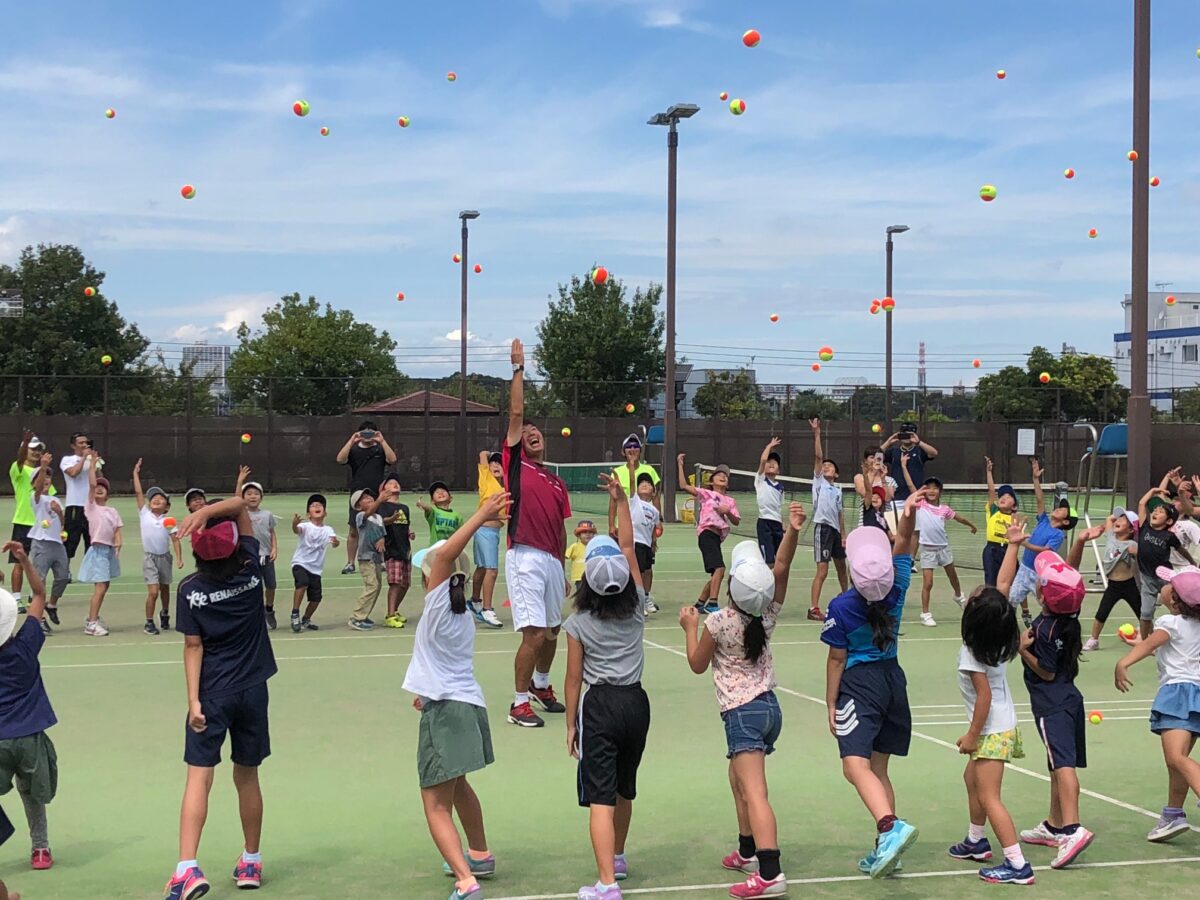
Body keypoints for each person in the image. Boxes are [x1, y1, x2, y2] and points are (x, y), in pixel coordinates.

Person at [680, 501, 805, 899]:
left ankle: (770, 872)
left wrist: (689, 626)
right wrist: (793, 530)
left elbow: (697, 664)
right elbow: (782, 566)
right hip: (769, 709)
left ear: (732, 587)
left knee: (755, 792)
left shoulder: (718, 622)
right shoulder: (767, 614)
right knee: (737, 779)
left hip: (742, 713)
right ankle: (748, 851)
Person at [164, 495, 278, 899]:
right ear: (234, 544)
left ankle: (187, 870)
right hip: (253, 690)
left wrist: (193, 702)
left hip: (212, 694)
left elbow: (193, 646)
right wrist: (208, 512)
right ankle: (251, 861)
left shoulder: (190, 589)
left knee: (199, 777)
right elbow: (241, 505)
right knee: (247, 775)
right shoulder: (251, 568)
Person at [403, 491, 509, 900]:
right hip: (467, 705)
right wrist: (424, 690)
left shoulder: (436, 604)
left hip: (447, 711)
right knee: (459, 783)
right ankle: (479, 854)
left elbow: (446, 555)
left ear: (435, 576)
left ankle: (466, 881)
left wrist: (482, 514)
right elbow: (440, 661)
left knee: (434, 804)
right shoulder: (463, 614)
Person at [822, 488, 922, 879]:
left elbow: (836, 659)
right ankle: (888, 848)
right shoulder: (899, 585)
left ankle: (889, 826)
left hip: (861, 686)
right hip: (894, 681)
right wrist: (908, 513)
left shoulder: (842, 606)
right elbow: (904, 540)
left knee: (854, 765)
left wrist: (831, 703)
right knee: (878, 770)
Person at [564, 472, 654, 899]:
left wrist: (570, 724)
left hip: (599, 706)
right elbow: (629, 547)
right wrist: (621, 501)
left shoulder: (578, 622)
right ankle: (617, 856)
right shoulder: (636, 606)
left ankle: (606, 883)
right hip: (636, 703)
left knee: (600, 797)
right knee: (624, 787)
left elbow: (573, 678)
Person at [999, 521, 1094, 870]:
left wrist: (1021, 649)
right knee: (1056, 762)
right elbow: (1070, 577)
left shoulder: (1043, 629)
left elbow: (1046, 671)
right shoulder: (1070, 617)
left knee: (1063, 765)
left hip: (1052, 703)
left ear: (1042, 596)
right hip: (1069, 699)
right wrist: (1079, 544)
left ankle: (1072, 829)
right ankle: (1054, 824)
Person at [503, 339, 573, 728]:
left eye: (535, 430)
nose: (530, 432)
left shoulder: (556, 482)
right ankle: (518, 704)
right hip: (525, 555)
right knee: (533, 634)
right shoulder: (515, 463)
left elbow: (560, 530)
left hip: (550, 561)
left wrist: (562, 569)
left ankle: (541, 685)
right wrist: (518, 369)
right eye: (525, 430)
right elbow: (516, 412)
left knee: (552, 631)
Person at [950, 585, 1032, 885]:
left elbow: (984, 697)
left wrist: (972, 736)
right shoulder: (1000, 641)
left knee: (989, 797)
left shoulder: (972, 652)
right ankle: (976, 840)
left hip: (991, 731)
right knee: (971, 779)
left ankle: (1017, 864)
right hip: (1001, 726)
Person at [1115, 565, 1200, 844]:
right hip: (1196, 696)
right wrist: (1138, 644)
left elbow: (1151, 645)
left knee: (1176, 758)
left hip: (1177, 694)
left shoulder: (1169, 623)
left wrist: (1123, 662)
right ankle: (1173, 813)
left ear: (1174, 599)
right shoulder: (1192, 626)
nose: (1162, 587)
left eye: (1168, 585)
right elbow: (1169, 650)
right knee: (1178, 761)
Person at [0, 543, 56, 874]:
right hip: (29, 737)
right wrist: (23, 559)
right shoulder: (27, 645)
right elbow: (39, 594)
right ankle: (41, 849)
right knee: (32, 794)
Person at [900, 467, 977, 627]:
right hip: (927, 550)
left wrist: (971, 525)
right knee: (928, 583)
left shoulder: (944, 509)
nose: (931, 490)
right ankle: (925, 614)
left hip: (943, 548)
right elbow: (911, 486)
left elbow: (959, 518)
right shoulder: (920, 504)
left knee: (953, 577)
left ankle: (958, 596)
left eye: (935, 488)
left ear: (940, 492)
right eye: (928, 488)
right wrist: (904, 467)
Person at [1005, 459, 1074, 630]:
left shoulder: (1058, 535)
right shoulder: (1043, 521)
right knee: (1011, 600)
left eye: (1062, 510)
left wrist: (1023, 543)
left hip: (1039, 574)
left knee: (1048, 604)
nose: (1058, 508)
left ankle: (1059, 628)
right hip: (1024, 569)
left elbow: (1045, 551)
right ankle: (1008, 629)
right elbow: (1039, 499)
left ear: (1065, 521)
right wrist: (1035, 479)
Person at [677, 453, 742, 616]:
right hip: (706, 534)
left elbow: (736, 521)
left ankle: (700, 604)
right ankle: (712, 603)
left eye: (725, 475)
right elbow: (683, 485)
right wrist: (680, 464)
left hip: (716, 538)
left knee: (716, 574)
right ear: (711, 481)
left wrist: (727, 512)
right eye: (719, 474)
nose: (722, 476)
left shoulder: (730, 501)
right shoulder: (706, 494)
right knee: (720, 568)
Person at [335, 422, 397, 574]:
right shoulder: (354, 450)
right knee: (354, 529)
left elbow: (392, 459)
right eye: (364, 432)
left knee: (380, 527)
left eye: (371, 432)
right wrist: (352, 440)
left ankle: (381, 561)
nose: (367, 435)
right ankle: (350, 563)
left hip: (377, 494)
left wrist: (382, 441)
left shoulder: (380, 449)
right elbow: (340, 459)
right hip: (358, 495)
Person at [1137, 483, 1195, 640]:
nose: (1155, 512)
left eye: (1161, 512)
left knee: (1176, 608)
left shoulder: (1169, 536)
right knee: (1145, 613)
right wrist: (1153, 491)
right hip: (1147, 579)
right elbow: (1142, 504)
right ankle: (1145, 642)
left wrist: (1192, 562)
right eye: (1155, 510)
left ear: (1169, 522)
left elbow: (1181, 550)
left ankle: (1183, 635)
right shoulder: (1144, 527)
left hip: (1166, 577)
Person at [133, 458, 183, 636]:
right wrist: (135, 473)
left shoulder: (168, 521)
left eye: (161, 499)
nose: (156, 499)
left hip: (165, 557)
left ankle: (165, 613)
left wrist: (179, 558)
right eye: (154, 498)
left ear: (166, 507)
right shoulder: (144, 514)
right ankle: (149, 622)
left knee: (165, 588)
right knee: (153, 592)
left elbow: (175, 540)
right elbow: (138, 493)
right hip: (150, 558)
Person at [1078, 509, 1140, 652]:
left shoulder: (1132, 544)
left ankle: (1149, 636)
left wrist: (1136, 553)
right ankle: (1094, 639)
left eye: (1123, 521)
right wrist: (1121, 515)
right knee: (1101, 613)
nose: (1118, 521)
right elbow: (1109, 519)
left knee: (1142, 612)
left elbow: (1142, 558)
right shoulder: (1111, 536)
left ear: (1131, 529)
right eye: (1119, 519)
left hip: (1129, 584)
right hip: (1113, 585)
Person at [77, 451, 122, 637]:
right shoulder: (91, 508)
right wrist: (93, 467)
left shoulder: (112, 510)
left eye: (104, 488)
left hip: (108, 551)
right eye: (98, 487)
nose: (99, 489)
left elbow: (117, 530)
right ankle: (91, 623)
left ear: (108, 495)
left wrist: (118, 545)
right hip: (97, 551)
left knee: (105, 585)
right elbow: (92, 484)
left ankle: (93, 617)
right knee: (100, 587)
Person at [609, 463, 661, 615]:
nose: (644, 484)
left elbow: (654, 528)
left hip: (646, 545)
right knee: (636, 572)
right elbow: (632, 481)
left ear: (653, 492)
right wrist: (632, 465)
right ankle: (635, 602)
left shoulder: (655, 511)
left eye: (648, 484)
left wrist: (654, 542)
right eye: (641, 483)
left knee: (646, 571)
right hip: (634, 542)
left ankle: (645, 598)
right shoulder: (634, 501)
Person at [809, 418, 846, 622]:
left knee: (842, 567)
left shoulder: (838, 491)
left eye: (830, 466)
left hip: (835, 531)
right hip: (822, 529)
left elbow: (840, 515)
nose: (826, 466)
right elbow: (818, 456)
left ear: (836, 474)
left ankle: (848, 597)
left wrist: (844, 535)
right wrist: (817, 433)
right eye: (824, 465)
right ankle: (814, 608)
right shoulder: (819, 483)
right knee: (822, 570)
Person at [235, 470, 279, 631]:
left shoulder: (267, 514)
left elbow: (272, 532)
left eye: (256, 493)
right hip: (249, 557)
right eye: (248, 494)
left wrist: (274, 548)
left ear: (261, 497)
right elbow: (235, 499)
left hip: (266, 556)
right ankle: (253, 615)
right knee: (252, 586)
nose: (252, 496)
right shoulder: (242, 513)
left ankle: (269, 610)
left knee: (271, 585)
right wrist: (240, 481)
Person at [29, 455, 69, 629]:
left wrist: (59, 512)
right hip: (41, 543)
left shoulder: (55, 499)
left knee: (63, 577)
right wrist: (43, 465)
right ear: (34, 483)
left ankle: (51, 605)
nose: (45, 479)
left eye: (48, 476)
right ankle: (39, 619)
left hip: (57, 544)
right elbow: (38, 489)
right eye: (41, 476)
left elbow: (63, 522)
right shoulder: (35, 497)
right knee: (40, 581)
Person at [289, 495, 339, 633]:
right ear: (308, 514)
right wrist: (294, 524)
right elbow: (296, 530)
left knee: (316, 598)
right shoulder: (305, 526)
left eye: (320, 505)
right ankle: (295, 613)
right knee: (302, 583)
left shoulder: (328, 529)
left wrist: (335, 542)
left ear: (325, 513)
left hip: (316, 568)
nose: (316, 507)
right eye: (313, 506)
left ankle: (306, 618)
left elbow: (334, 543)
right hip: (300, 562)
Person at [8, 432, 48, 602]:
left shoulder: (43, 472)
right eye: (33, 449)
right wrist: (24, 443)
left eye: (39, 449)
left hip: (40, 525)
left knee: (39, 564)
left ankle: (34, 596)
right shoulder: (17, 469)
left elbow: (48, 495)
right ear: (24, 451)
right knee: (19, 563)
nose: (36, 452)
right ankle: (17, 599)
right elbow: (19, 460)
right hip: (22, 523)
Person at [470, 451, 506, 629]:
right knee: (491, 570)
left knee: (483, 568)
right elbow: (483, 454)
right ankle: (487, 609)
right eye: (494, 463)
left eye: (500, 463)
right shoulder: (486, 479)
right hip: (484, 530)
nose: (497, 465)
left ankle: (475, 601)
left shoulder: (506, 487)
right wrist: (489, 454)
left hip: (491, 532)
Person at [375, 474, 416, 629]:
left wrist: (409, 533)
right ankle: (390, 615)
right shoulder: (383, 506)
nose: (395, 484)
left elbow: (405, 525)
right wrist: (390, 520)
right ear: (383, 489)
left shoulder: (405, 508)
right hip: (392, 549)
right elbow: (379, 523)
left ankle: (396, 610)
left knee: (405, 584)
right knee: (395, 583)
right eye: (391, 483)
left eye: (396, 482)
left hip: (405, 549)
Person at [348, 488, 386, 631]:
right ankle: (356, 617)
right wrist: (380, 500)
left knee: (377, 586)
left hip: (377, 557)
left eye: (369, 496)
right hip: (366, 557)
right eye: (364, 498)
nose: (369, 498)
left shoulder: (379, 518)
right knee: (372, 586)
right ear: (358, 506)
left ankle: (364, 614)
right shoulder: (360, 516)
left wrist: (382, 539)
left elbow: (382, 533)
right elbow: (368, 513)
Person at [881, 426, 939, 509]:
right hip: (897, 497)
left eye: (909, 434)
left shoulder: (919, 451)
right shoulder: (894, 451)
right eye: (904, 434)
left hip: (916, 495)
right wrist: (888, 442)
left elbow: (934, 453)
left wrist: (918, 442)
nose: (906, 437)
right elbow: (877, 457)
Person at [58, 431, 93, 564]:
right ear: (73, 446)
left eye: (86, 442)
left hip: (91, 507)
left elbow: (99, 478)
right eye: (81, 443)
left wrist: (95, 462)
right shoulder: (67, 460)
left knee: (91, 542)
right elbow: (73, 473)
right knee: (69, 542)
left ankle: (89, 571)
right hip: (74, 506)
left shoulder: (90, 460)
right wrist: (83, 458)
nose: (84, 445)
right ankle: (64, 571)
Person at [982, 457, 1018, 587]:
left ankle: (1017, 601)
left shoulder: (1015, 519)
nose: (1003, 498)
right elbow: (991, 491)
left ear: (1014, 506)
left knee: (1013, 581)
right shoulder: (994, 511)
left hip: (1008, 550)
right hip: (992, 549)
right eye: (1002, 496)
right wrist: (989, 472)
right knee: (991, 581)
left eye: (1008, 497)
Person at [755, 438, 786, 566]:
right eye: (769, 462)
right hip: (764, 523)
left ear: (778, 471)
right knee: (768, 561)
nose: (771, 464)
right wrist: (770, 446)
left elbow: (779, 507)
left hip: (777, 524)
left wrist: (783, 524)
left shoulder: (780, 488)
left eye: (775, 462)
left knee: (779, 559)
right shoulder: (760, 480)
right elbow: (763, 460)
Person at [854, 446, 896, 529]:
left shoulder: (889, 480)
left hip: (885, 521)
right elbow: (865, 493)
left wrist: (883, 479)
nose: (875, 460)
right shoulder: (860, 477)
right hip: (865, 521)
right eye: (872, 457)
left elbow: (887, 498)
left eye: (878, 458)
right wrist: (872, 473)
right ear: (866, 460)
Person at [566, 521, 596, 594]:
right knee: (581, 596)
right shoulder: (574, 546)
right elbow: (565, 556)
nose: (588, 534)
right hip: (580, 578)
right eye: (584, 532)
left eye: (590, 532)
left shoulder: (596, 546)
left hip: (593, 577)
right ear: (579, 535)